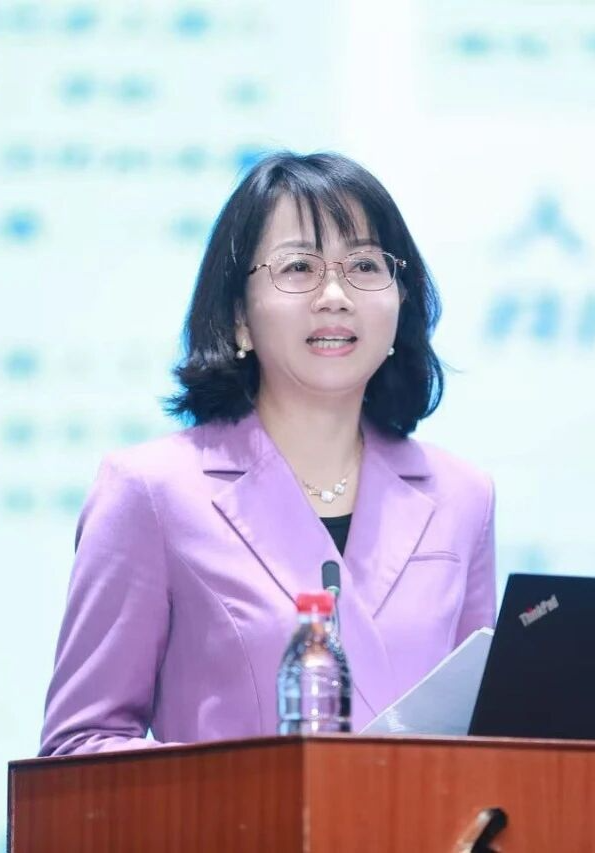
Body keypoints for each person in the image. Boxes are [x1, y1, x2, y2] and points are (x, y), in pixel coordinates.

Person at [38, 151, 496, 754]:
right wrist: (247, 791)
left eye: (364, 265)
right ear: (239, 317)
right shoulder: (150, 491)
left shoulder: (462, 497)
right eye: (299, 267)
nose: (335, 295)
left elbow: (487, 740)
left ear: (401, 301)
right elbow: (79, 744)